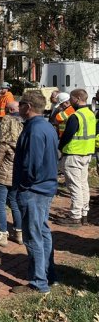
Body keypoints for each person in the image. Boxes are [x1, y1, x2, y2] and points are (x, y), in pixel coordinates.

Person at [11, 91, 58, 295]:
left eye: (20, 105)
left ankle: (39, 282)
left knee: (33, 236)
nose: (18, 108)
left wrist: (24, 184)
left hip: (34, 190)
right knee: (43, 232)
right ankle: (49, 274)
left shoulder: (35, 130)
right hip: (44, 188)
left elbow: (32, 164)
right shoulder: (46, 126)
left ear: (27, 107)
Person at [55, 88, 96, 227]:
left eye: (71, 98)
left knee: (75, 186)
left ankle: (75, 217)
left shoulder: (75, 116)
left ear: (77, 98)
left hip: (73, 154)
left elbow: (67, 135)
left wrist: (60, 147)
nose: (70, 101)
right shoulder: (90, 114)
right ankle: (84, 213)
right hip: (87, 154)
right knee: (84, 184)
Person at [0, 115, 24, 246]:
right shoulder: (21, 142)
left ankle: (2, 235)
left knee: (0, 205)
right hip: (16, 177)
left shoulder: (3, 144)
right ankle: (19, 233)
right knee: (15, 204)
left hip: (1, 177)